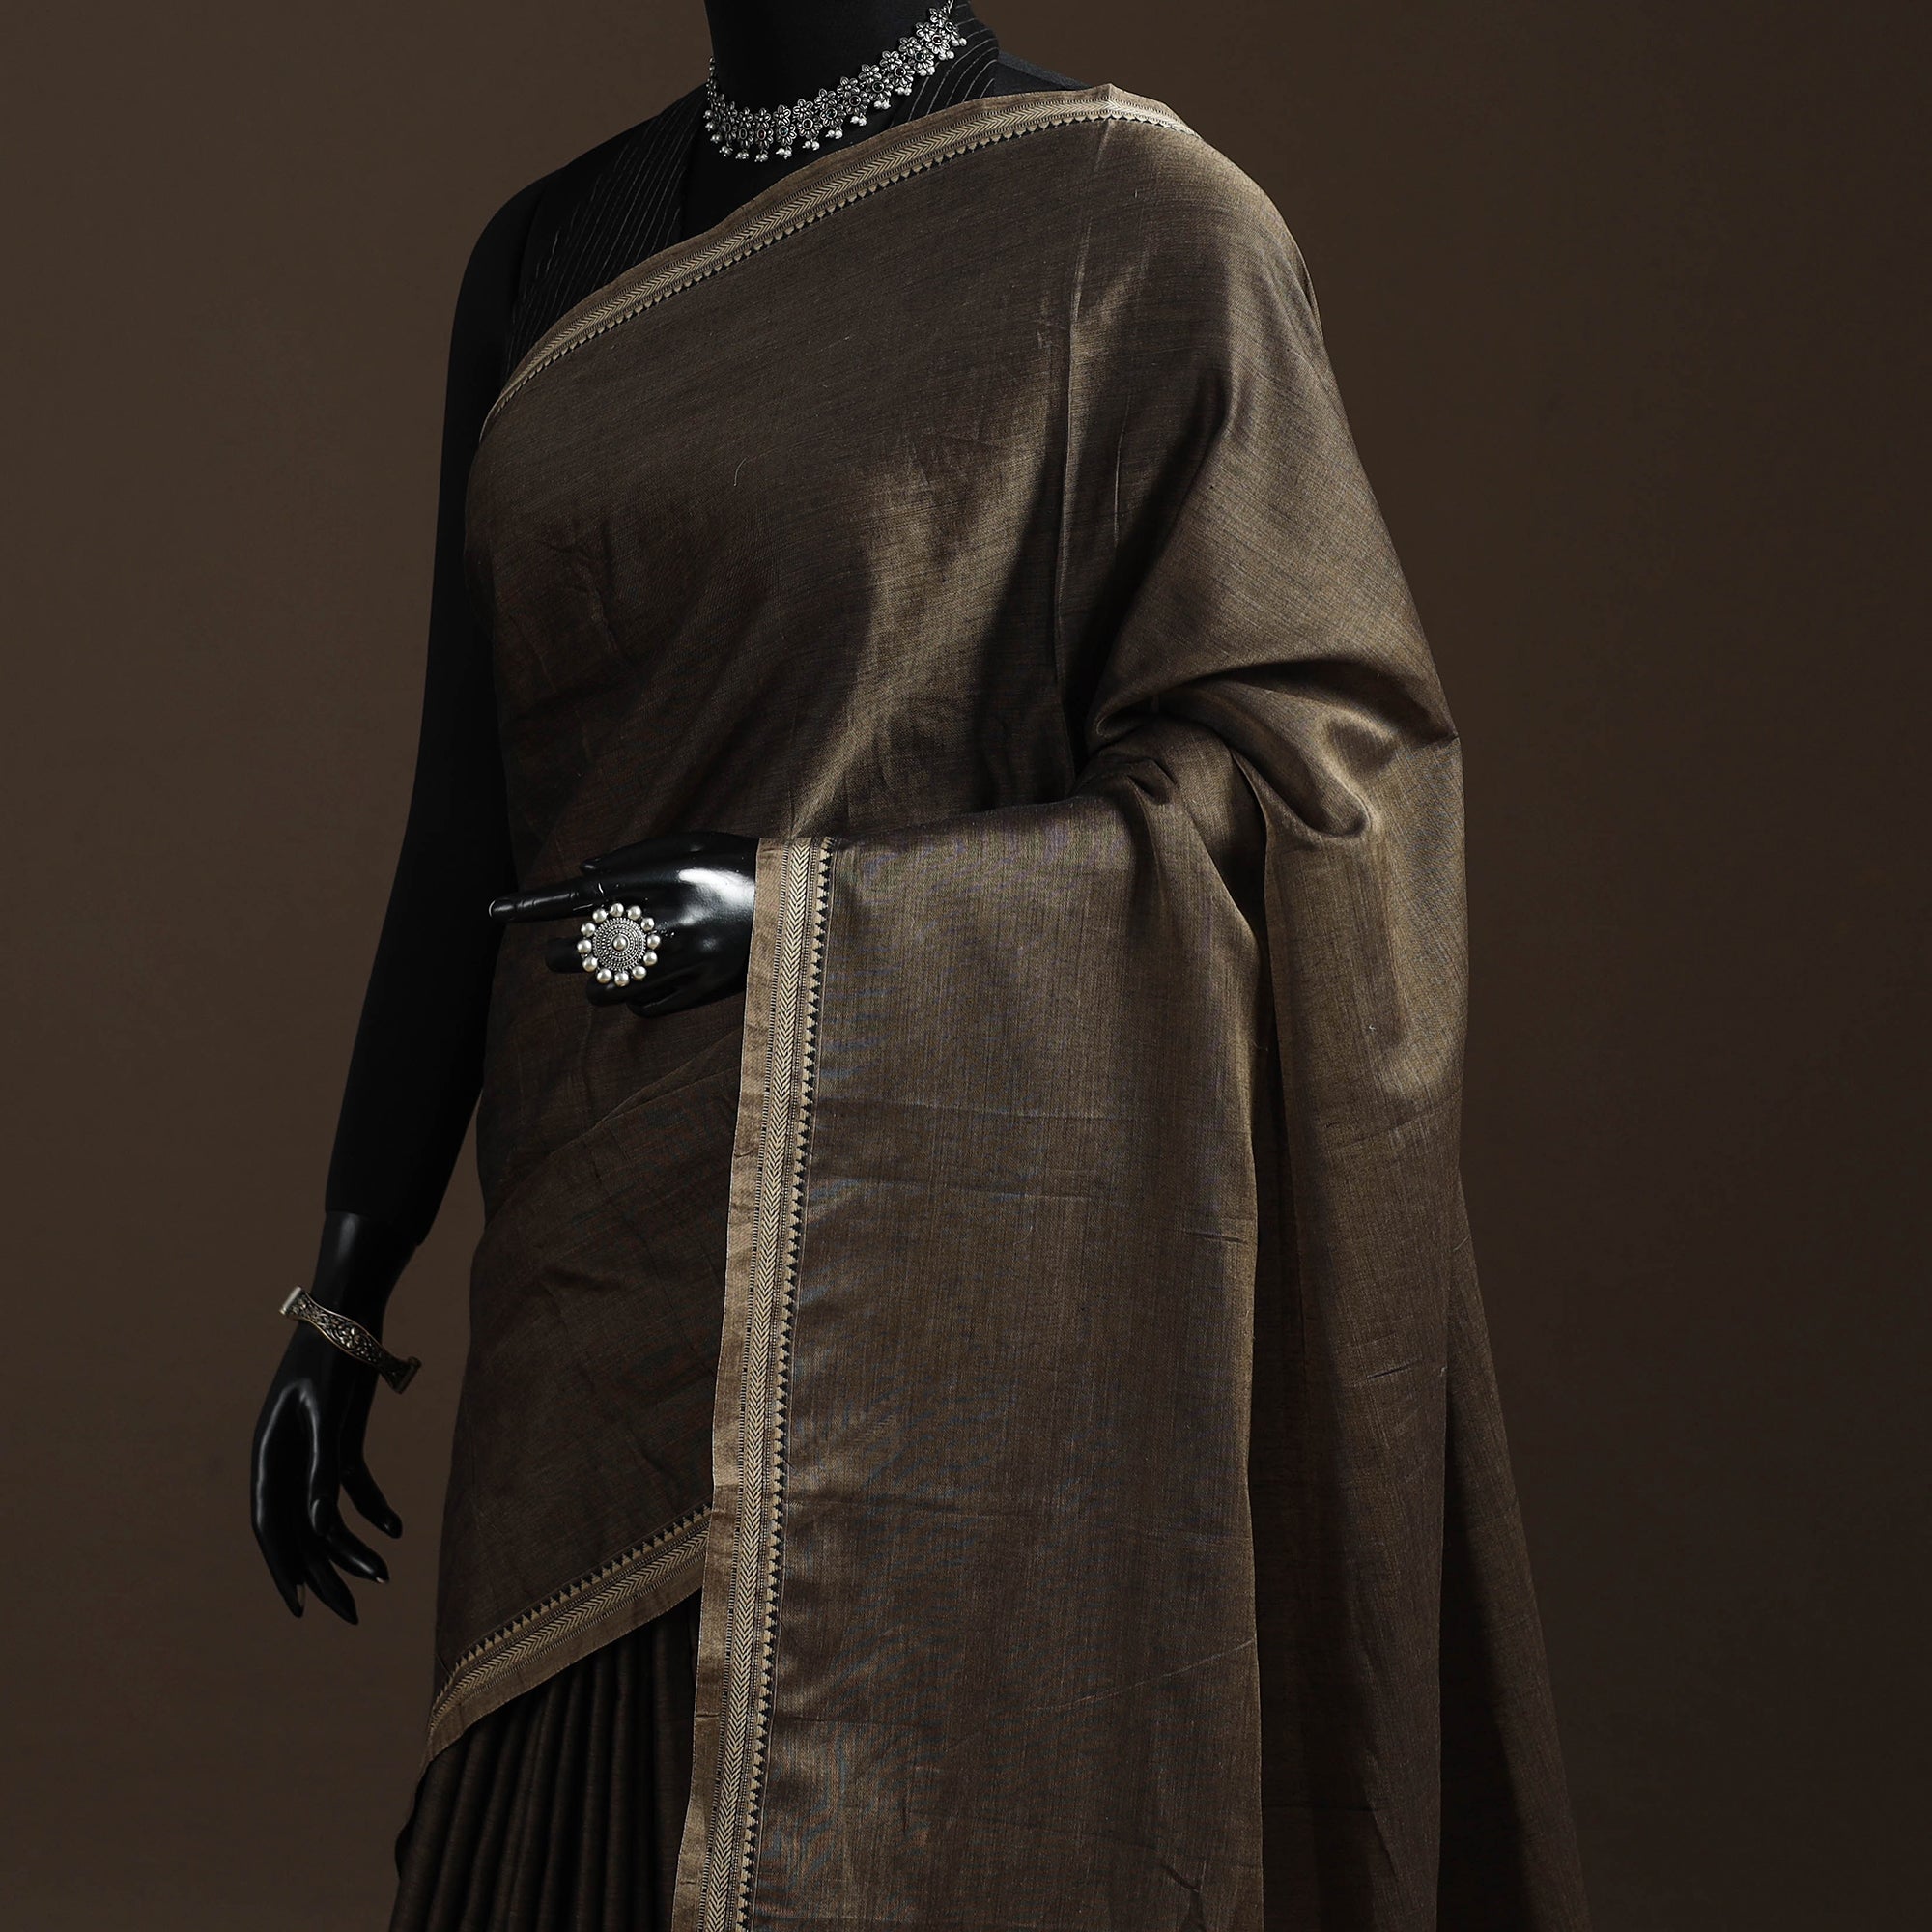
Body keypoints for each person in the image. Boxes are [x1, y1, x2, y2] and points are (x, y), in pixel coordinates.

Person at [251, 6, 1593, 1927]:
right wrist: (342, 1294)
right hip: (587, 1274)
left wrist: (805, 921)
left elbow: (1316, 798)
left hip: (921, 1274)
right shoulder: (543, 256)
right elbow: (464, 832)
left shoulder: (1132, 219)